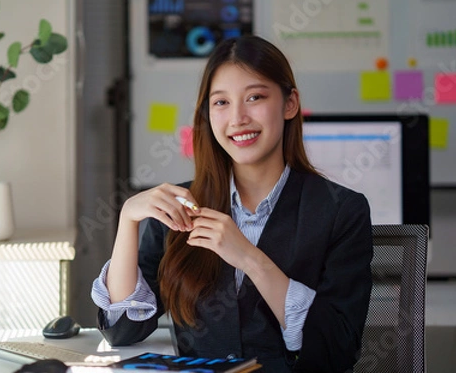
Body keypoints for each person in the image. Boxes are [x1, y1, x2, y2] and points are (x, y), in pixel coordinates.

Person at [91, 35, 373, 372]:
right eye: (221, 102)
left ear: (290, 104)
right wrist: (128, 220)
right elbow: (123, 330)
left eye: (254, 97)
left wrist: (250, 258)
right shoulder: (181, 208)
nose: (237, 118)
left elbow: (336, 352)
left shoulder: (342, 211)